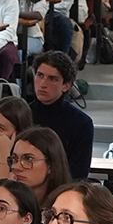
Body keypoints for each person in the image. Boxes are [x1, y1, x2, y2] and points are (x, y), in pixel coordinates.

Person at [27, 50, 93, 182]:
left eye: (52, 79)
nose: (43, 84)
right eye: (40, 75)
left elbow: (79, 175)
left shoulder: (81, 123)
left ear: (66, 86)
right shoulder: (23, 114)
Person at [3, 125, 74, 211]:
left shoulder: (66, 207)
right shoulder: (13, 201)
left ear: (50, 165)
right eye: (15, 159)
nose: (16, 167)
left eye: (28, 159)